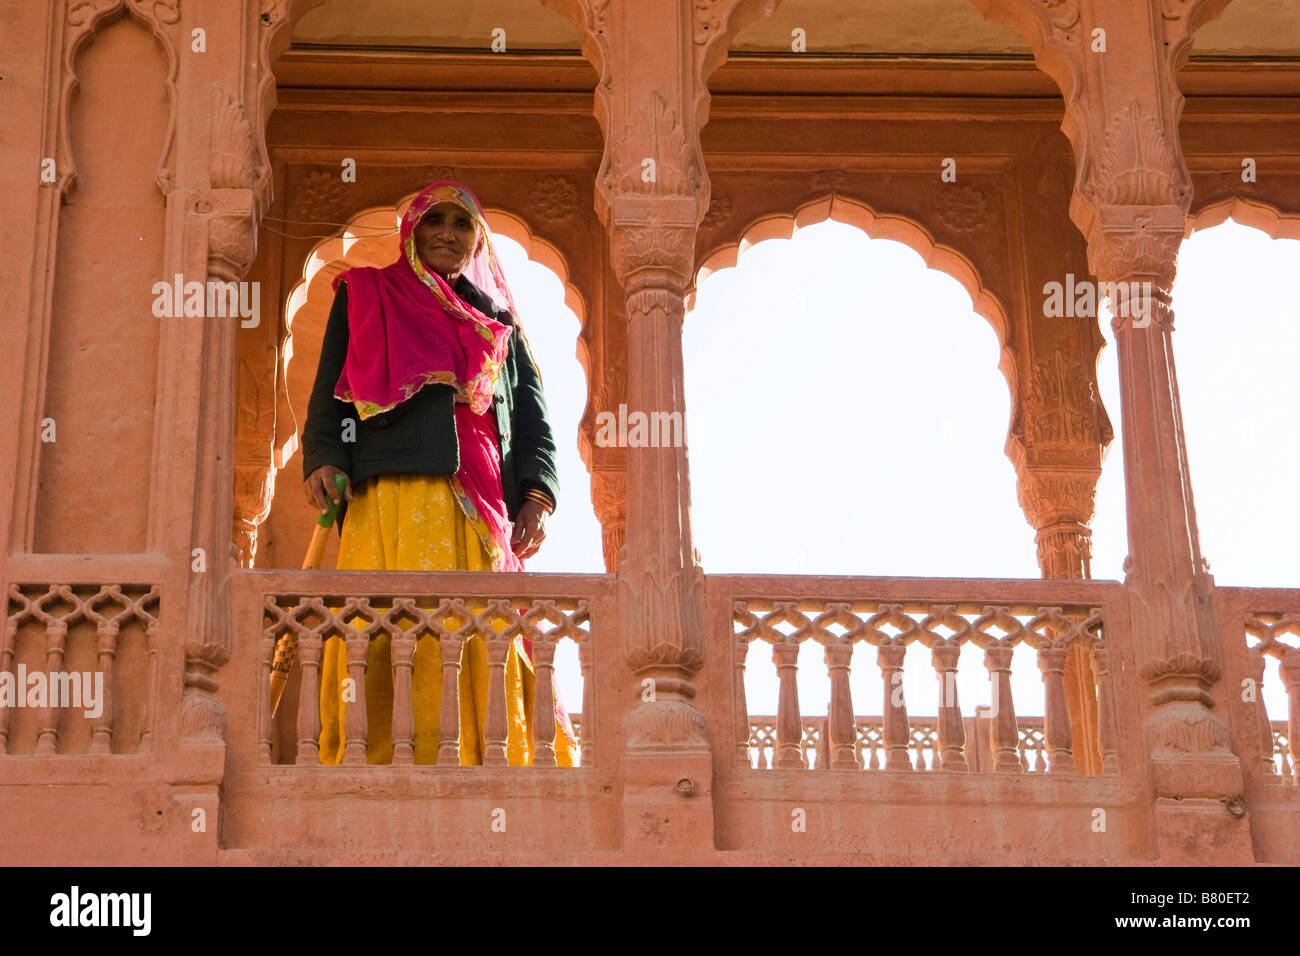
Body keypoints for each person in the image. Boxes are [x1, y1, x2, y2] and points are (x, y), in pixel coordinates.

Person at [300, 178, 576, 766]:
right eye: (434, 221)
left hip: (482, 501)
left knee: (476, 622)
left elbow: (533, 420)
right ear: (412, 231)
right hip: (389, 491)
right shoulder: (367, 293)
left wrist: (535, 495)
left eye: (460, 224)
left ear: (476, 240)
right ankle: (377, 754)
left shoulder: (498, 325)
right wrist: (326, 454)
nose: (446, 234)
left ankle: (483, 752)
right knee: (390, 618)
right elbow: (331, 393)